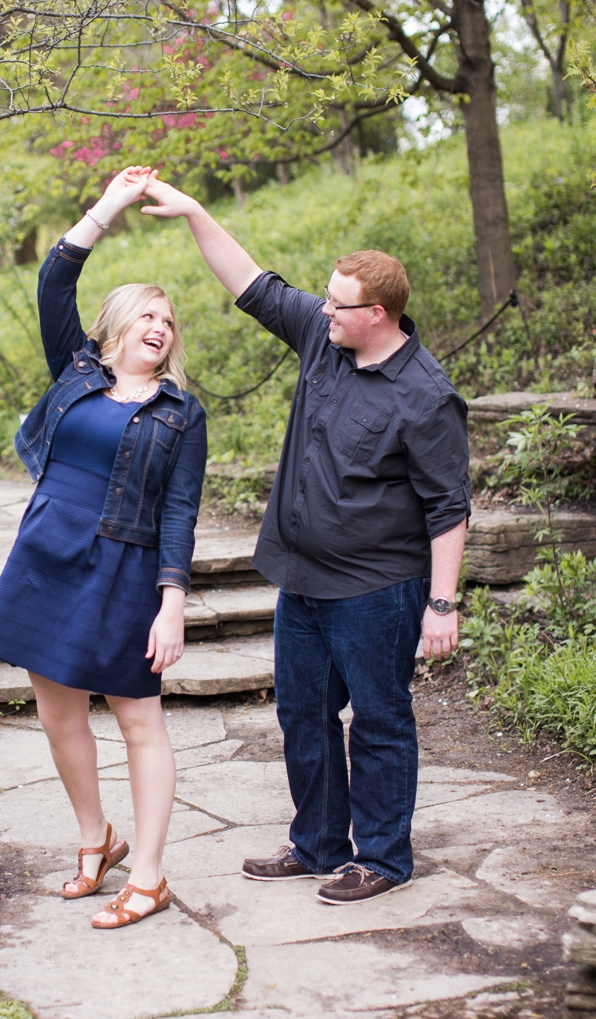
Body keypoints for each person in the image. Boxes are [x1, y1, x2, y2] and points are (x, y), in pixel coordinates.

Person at [139, 174, 470, 906]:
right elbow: (251, 281)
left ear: (376, 313)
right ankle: (319, 841)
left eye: (338, 301)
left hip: (380, 590)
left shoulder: (426, 395)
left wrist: (441, 604)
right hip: (305, 580)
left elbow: (449, 506)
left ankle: (382, 855)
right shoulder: (324, 340)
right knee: (302, 712)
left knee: (380, 720)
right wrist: (193, 211)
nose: (323, 308)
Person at [0, 167, 208, 928]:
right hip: (46, 556)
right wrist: (110, 204)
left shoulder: (181, 413)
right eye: (147, 314)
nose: (160, 327)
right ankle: (94, 837)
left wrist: (172, 604)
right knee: (57, 712)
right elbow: (53, 278)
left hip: (124, 568)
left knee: (140, 718)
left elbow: (180, 509)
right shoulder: (76, 371)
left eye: (169, 320)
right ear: (114, 328)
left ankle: (148, 873)